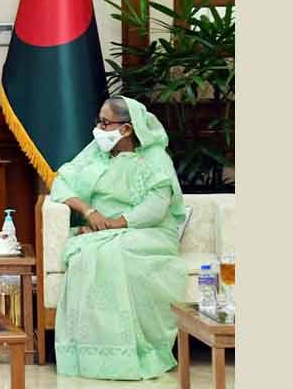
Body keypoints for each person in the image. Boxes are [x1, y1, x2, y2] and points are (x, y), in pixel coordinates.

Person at [49, 95, 187, 380]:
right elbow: (61, 181)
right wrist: (88, 211)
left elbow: (156, 207)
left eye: (105, 123)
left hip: (148, 233)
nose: (98, 128)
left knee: (113, 253)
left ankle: (138, 351)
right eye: (99, 121)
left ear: (127, 129)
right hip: (103, 230)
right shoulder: (95, 151)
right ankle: (90, 353)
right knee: (87, 254)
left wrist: (114, 224)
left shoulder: (155, 158)